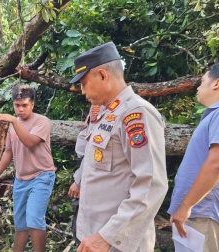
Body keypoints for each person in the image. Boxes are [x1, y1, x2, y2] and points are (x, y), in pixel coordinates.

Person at [69, 42, 168, 252]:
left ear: (103, 75)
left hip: (117, 242)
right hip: (95, 235)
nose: (82, 91)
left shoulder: (136, 113)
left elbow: (151, 184)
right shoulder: (106, 113)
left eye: (85, 83)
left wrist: (108, 236)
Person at [0, 84, 56, 252]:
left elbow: (29, 142)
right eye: (17, 105)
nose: (20, 109)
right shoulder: (13, 126)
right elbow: (8, 152)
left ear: (32, 105)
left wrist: (13, 119)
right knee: (20, 224)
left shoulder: (42, 121)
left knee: (34, 219)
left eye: (24, 105)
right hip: (20, 180)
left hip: (42, 176)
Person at [168, 63, 219, 251]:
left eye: (202, 81)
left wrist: (185, 207)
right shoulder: (213, 115)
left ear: (217, 83)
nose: (198, 87)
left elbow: (216, 164)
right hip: (196, 214)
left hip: (202, 214)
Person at [67, 105, 104, 246]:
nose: (84, 91)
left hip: (91, 172)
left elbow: (92, 151)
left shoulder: (107, 108)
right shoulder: (97, 105)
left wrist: (78, 182)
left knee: (84, 230)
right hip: (84, 166)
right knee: (80, 228)